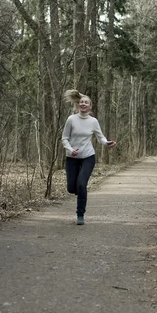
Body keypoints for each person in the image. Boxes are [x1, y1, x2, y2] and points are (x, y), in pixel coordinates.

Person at [61, 90, 116, 225]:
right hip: (72, 157)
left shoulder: (93, 121)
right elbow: (64, 138)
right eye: (81, 102)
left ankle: (80, 214)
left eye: (86, 102)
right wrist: (70, 149)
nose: (83, 104)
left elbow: (100, 137)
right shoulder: (71, 119)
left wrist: (106, 142)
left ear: (90, 106)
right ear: (78, 105)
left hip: (88, 157)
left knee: (81, 184)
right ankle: (79, 192)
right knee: (71, 188)